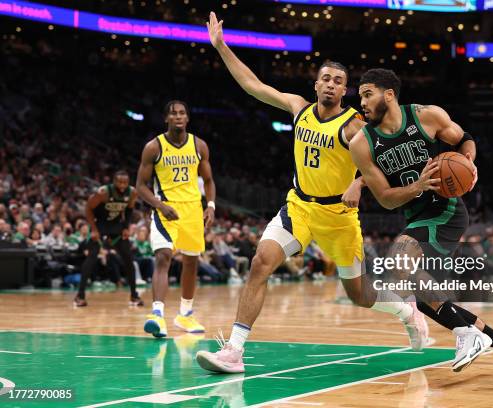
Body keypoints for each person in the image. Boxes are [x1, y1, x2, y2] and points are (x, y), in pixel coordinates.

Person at [196, 12, 427, 374]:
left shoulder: (354, 126)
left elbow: (382, 164)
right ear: (315, 84)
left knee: (360, 295)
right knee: (260, 263)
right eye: (326, 79)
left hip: (338, 218)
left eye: (339, 81)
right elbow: (253, 85)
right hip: (299, 207)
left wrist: (359, 182)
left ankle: (404, 310)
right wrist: (221, 45)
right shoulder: (298, 108)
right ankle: (234, 352)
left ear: (345, 90)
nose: (332, 85)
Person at [349, 68, 493, 384]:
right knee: (426, 300)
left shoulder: (426, 116)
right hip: (416, 215)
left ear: (389, 94)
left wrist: (469, 163)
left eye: (367, 94)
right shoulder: (362, 143)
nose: (363, 103)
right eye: (360, 97)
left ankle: (468, 333)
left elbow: (464, 139)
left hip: (446, 211)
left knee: (399, 262)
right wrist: (418, 186)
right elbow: (385, 198)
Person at [136, 100, 216, 338]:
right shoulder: (154, 147)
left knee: (192, 262)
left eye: (182, 113)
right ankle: (157, 316)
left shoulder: (199, 145)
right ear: (166, 119)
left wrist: (210, 206)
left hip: (192, 210)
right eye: (173, 113)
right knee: (163, 257)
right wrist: (160, 205)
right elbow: (140, 186)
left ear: (187, 118)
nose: (178, 117)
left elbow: (209, 181)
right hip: (165, 209)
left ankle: (185, 315)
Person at [74, 170, 143, 307]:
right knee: (91, 258)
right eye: (120, 182)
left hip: (116, 226)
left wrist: (125, 227)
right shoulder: (103, 192)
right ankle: (80, 296)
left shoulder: (133, 192)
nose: (123, 185)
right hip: (100, 225)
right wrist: (93, 229)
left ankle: (134, 296)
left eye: (125, 182)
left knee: (129, 259)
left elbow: (129, 210)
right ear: (114, 181)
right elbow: (88, 209)